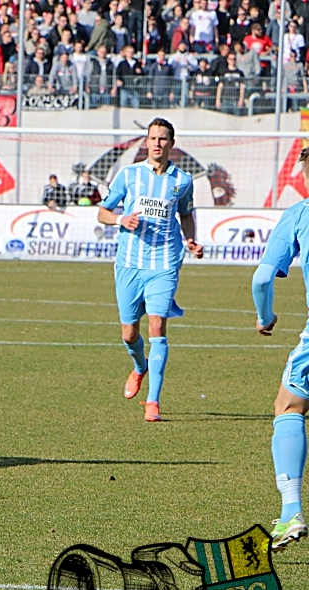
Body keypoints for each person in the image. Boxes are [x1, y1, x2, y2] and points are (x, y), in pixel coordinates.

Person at [97, 118, 203, 422]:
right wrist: (120, 220)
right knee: (129, 334)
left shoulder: (182, 180)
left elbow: (185, 215)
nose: (157, 143)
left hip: (165, 263)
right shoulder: (128, 176)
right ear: (146, 142)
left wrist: (191, 240)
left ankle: (153, 401)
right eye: (152, 138)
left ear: (171, 143)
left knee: (157, 326)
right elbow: (103, 212)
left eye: (163, 138)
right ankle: (140, 366)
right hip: (130, 264)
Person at [251, 146, 309, 552]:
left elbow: (262, 277)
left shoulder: (299, 214)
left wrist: (265, 314)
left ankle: (291, 511)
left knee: (289, 406)